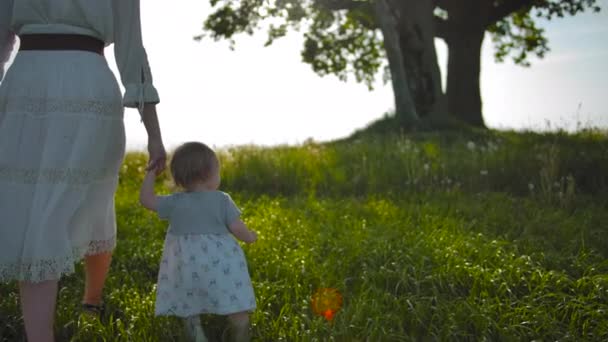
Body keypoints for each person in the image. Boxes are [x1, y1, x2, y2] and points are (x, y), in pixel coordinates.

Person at [0, 1, 166, 341]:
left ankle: (77, 311)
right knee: (92, 200)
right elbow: (132, 50)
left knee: (37, 209)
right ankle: (87, 306)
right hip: (87, 81)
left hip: (27, 81)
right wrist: (154, 133)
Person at [140, 142, 257, 342]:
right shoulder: (222, 200)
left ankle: (195, 330)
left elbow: (147, 200)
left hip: (187, 266)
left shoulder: (174, 202)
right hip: (220, 265)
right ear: (207, 174)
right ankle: (239, 327)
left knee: (189, 300)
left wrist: (151, 172)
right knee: (233, 297)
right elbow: (236, 227)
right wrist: (250, 236)